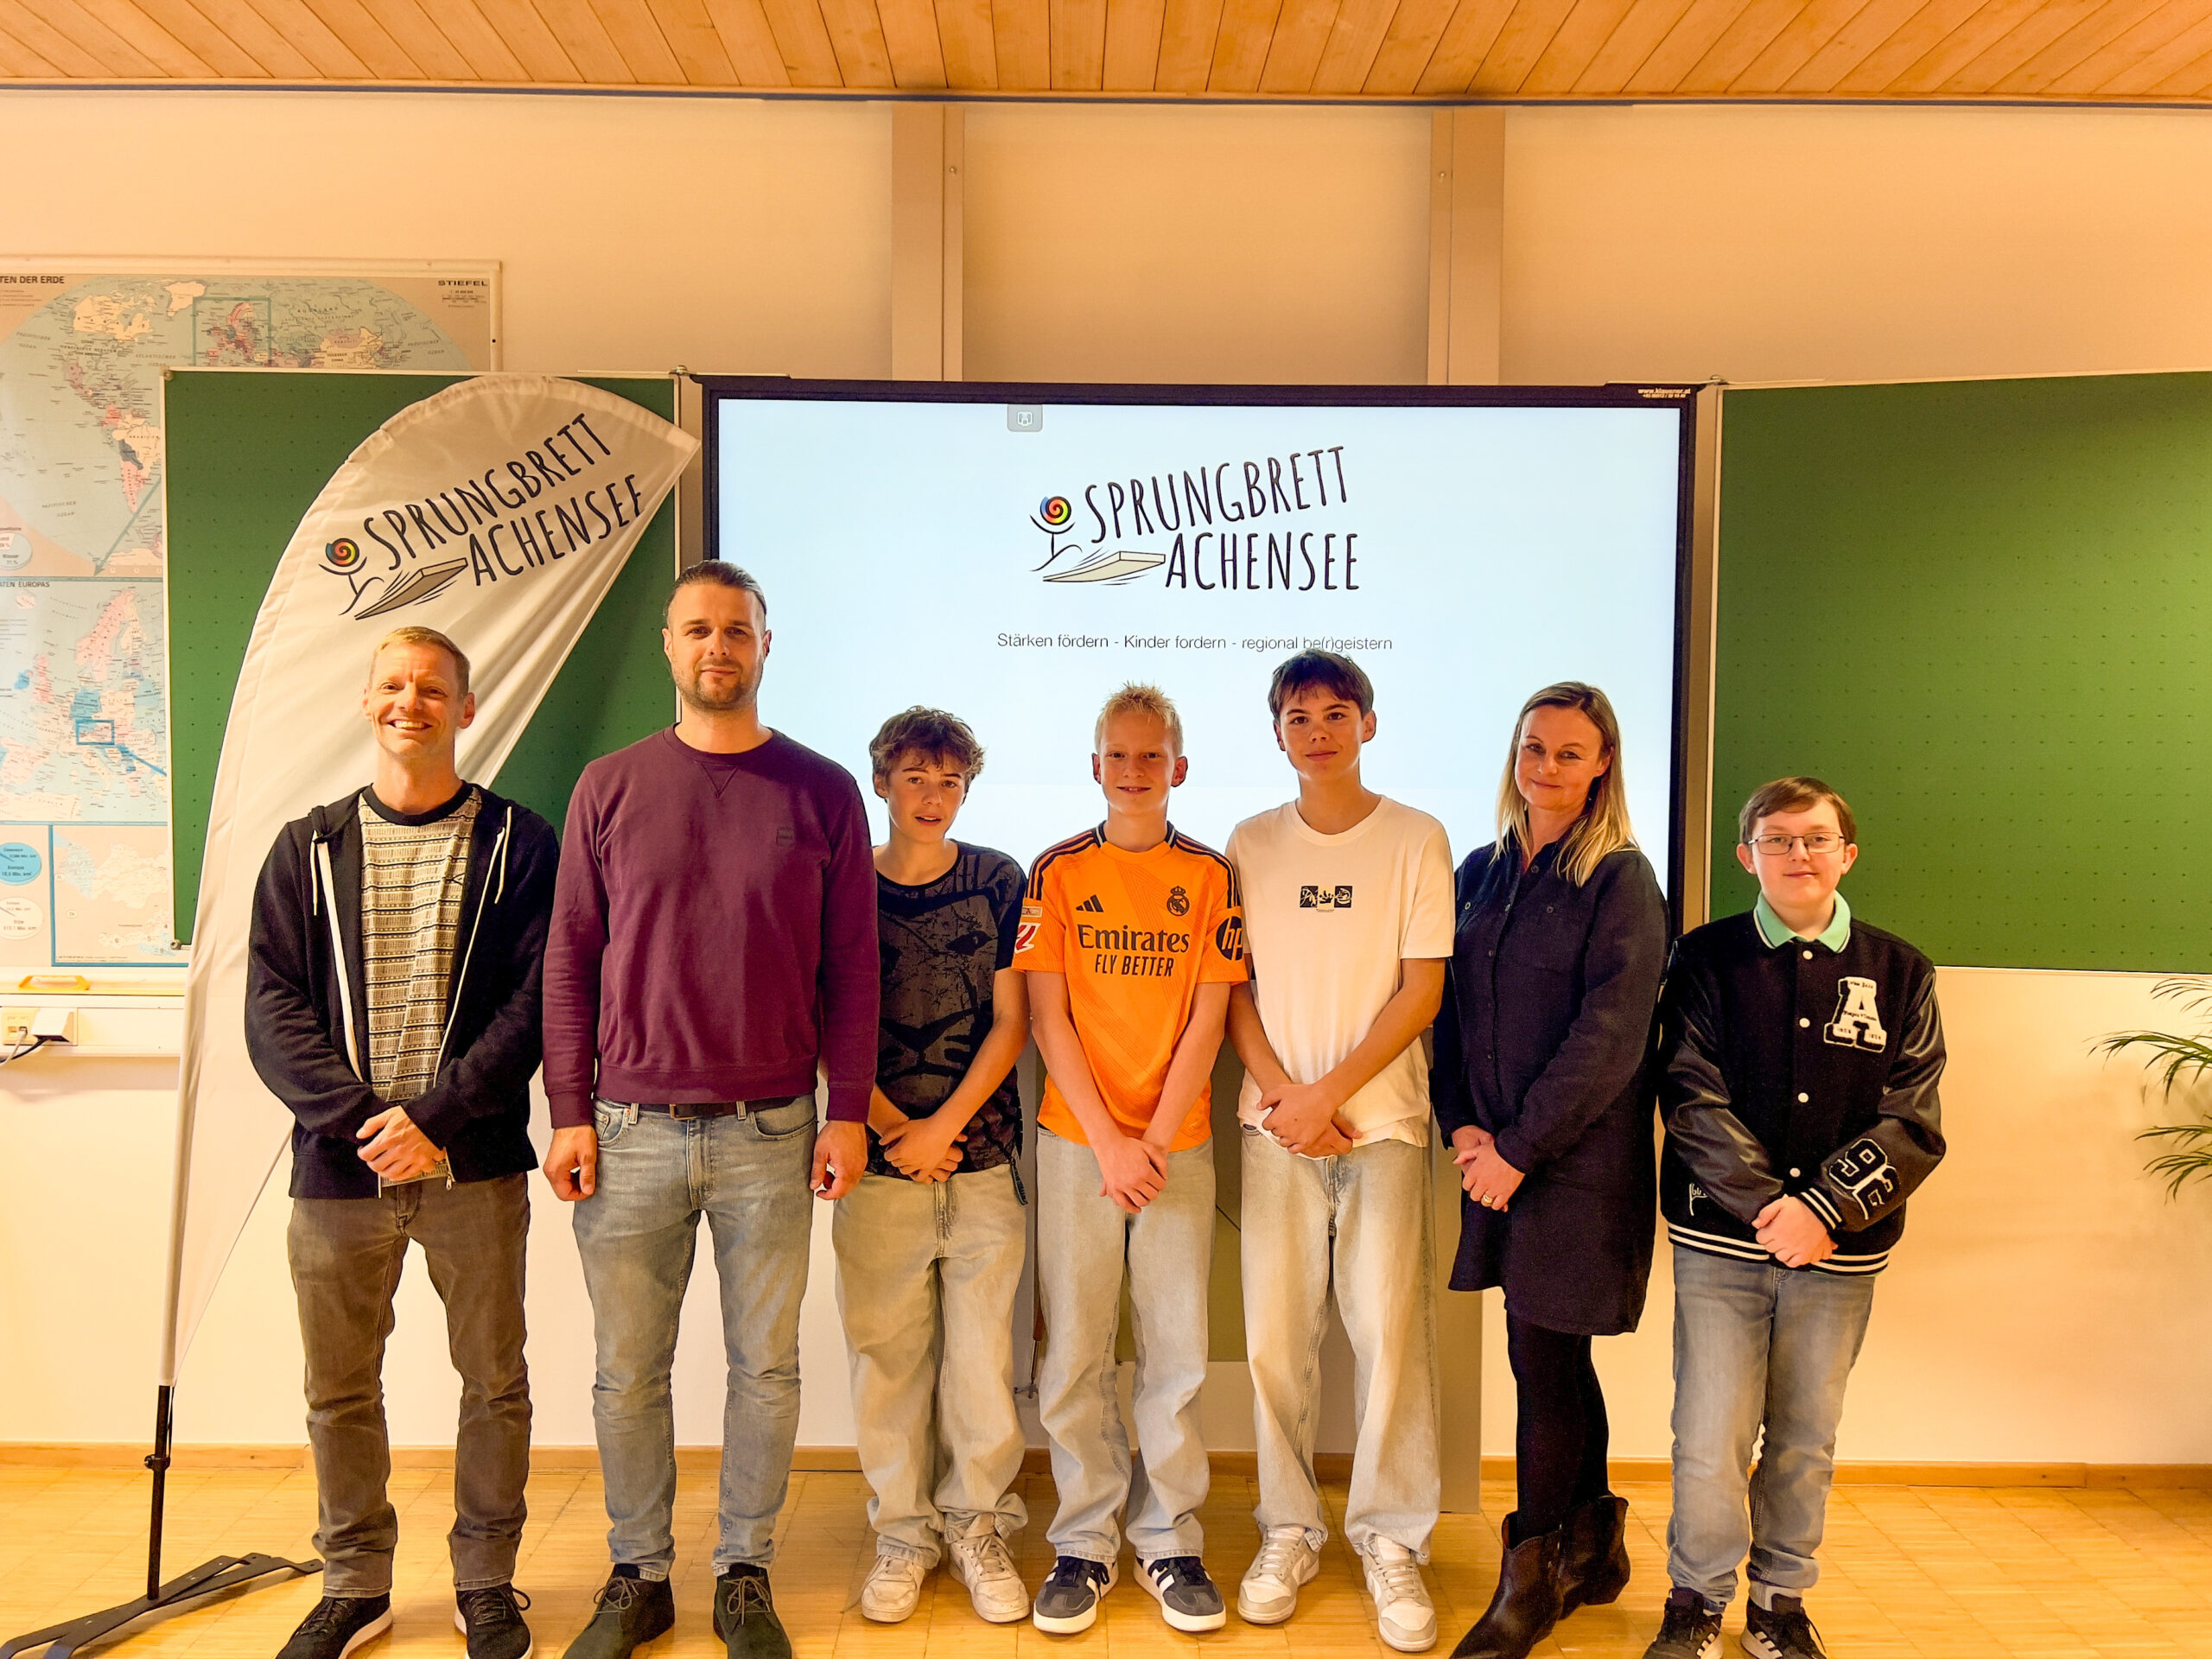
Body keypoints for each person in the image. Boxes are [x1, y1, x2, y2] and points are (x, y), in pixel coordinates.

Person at [540, 562, 877, 1659]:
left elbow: (853, 967)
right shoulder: (608, 785)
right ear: (670, 647)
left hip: (771, 1129)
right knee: (626, 1373)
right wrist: (569, 1108)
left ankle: (744, 1572)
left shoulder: (822, 791)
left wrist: (846, 1109)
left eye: (736, 630)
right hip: (626, 1132)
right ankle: (638, 1576)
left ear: (765, 646)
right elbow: (569, 957)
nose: (716, 647)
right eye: (697, 629)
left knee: (764, 1370)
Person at [247, 626, 559, 1659]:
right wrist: (362, 1124)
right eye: (393, 685)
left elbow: (536, 1003)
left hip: (472, 1165)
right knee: (338, 1389)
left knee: (494, 1384)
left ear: (464, 710)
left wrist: (435, 1119)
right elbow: (271, 1010)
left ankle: (486, 1581)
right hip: (338, 1172)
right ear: (367, 701)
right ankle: (355, 1586)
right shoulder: (306, 849)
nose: (409, 703)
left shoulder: (520, 844)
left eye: (431, 689)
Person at [1641, 779, 1945, 1659]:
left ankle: (1778, 1605)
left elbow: (1914, 1119)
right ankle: (1696, 1599)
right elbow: (1689, 1091)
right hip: (1719, 1243)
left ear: (1847, 854)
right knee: (1709, 1435)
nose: (1797, 854)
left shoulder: (1901, 970)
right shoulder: (1703, 959)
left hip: (1839, 1254)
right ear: (1747, 856)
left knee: (1805, 1440)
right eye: (1777, 839)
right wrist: (1767, 1206)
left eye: (1815, 839)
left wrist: (1824, 1211)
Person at [1430, 682, 1669, 1659]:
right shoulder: (1481, 870)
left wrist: (1519, 1150)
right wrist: (1463, 1128)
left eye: (1571, 752)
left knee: (1541, 1359)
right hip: (1494, 1154)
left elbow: (1610, 1037)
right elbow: (1446, 1010)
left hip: (1574, 1164)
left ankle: (1529, 1580)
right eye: (1535, 747)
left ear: (1603, 764)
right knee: (1555, 1356)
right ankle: (1595, 1549)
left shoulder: (1621, 879)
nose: (1548, 767)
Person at [1223, 651, 1452, 1652]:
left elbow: (1420, 990)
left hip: (1384, 1126)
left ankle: (1390, 1539)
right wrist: (1289, 1098)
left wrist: (1330, 1095)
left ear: (1368, 722)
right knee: (1275, 1342)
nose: (1317, 731)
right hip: (1275, 1128)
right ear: (1276, 733)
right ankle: (1288, 1529)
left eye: (1335, 713)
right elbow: (1232, 990)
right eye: (1298, 716)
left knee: (1389, 1338)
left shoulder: (1416, 836)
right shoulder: (1248, 843)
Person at [1017, 683, 1245, 1637]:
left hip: (1176, 1146)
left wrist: (1150, 1140)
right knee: (1074, 1350)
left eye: (1152, 755)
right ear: (1095, 766)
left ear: (1178, 768)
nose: (1134, 769)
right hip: (1079, 1143)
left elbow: (1210, 1017)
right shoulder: (1058, 870)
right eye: (1118, 754)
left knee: (1174, 1353)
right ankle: (1083, 1540)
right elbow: (1047, 1016)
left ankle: (1168, 1537)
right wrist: (1109, 1141)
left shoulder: (1212, 875)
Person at [836, 707, 1033, 1626]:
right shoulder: (842, 880)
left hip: (982, 1161)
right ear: (882, 783)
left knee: (983, 1365)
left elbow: (1011, 1021)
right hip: (876, 1170)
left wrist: (942, 1127)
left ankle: (978, 1526)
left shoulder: (998, 878)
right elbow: (823, 1018)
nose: (933, 795)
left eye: (950, 780)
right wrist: (891, 1129)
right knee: (887, 1364)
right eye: (915, 777)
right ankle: (903, 1535)